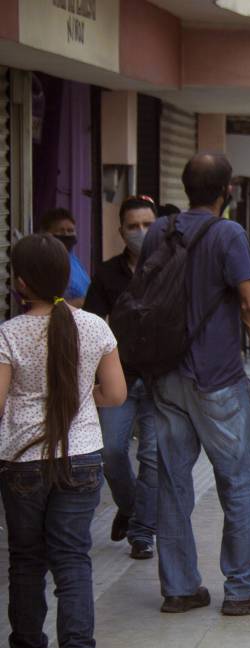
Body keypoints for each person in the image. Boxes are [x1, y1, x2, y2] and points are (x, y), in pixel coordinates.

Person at [141, 153, 250, 616]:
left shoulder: (157, 231)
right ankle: (244, 589)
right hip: (218, 379)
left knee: (172, 482)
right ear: (229, 189)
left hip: (166, 375)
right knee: (239, 481)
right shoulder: (229, 233)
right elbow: (249, 304)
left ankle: (180, 588)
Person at [0, 234, 127, 648]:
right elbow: (115, 395)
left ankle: (27, 641)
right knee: (73, 560)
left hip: (22, 459)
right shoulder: (94, 326)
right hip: (82, 457)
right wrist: (78, 396)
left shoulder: (9, 334)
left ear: (21, 283)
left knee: (26, 561)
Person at [85, 196, 160, 560]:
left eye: (147, 224)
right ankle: (130, 508)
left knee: (152, 455)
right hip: (120, 377)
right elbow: (92, 326)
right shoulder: (106, 274)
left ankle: (142, 532)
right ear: (120, 231)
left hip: (161, 378)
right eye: (133, 226)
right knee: (112, 451)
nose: (140, 232)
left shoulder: (170, 268)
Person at [39, 208, 90, 307]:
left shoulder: (73, 259)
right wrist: (81, 302)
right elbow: (47, 305)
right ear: (47, 233)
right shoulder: (44, 263)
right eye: (61, 231)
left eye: (70, 230)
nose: (66, 234)